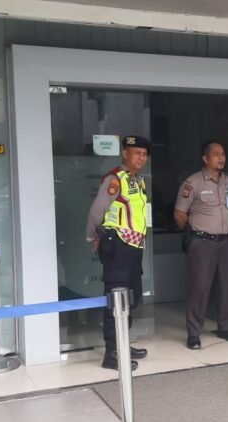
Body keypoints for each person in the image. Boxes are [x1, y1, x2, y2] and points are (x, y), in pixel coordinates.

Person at [86, 135, 150, 371]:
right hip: (118, 246)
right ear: (125, 154)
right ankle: (112, 353)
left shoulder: (138, 181)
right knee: (116, 299)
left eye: (144, 154)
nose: (141, 158)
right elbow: (97, 210)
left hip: (133, 247)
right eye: (137, 153)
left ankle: (122, 344)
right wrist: (92, 236)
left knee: (130, 297)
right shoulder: (115, 179)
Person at [174, 140, 228, 350]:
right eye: (216, 154)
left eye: (223, 154)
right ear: (205, 158)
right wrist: (193, 235)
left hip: (225, 241)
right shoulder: (192, 183)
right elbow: (179, 214)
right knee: (200, 288)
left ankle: (225, 327)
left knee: (225, 286)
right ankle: (194, 333)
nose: (221, 158)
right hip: (202, 242)